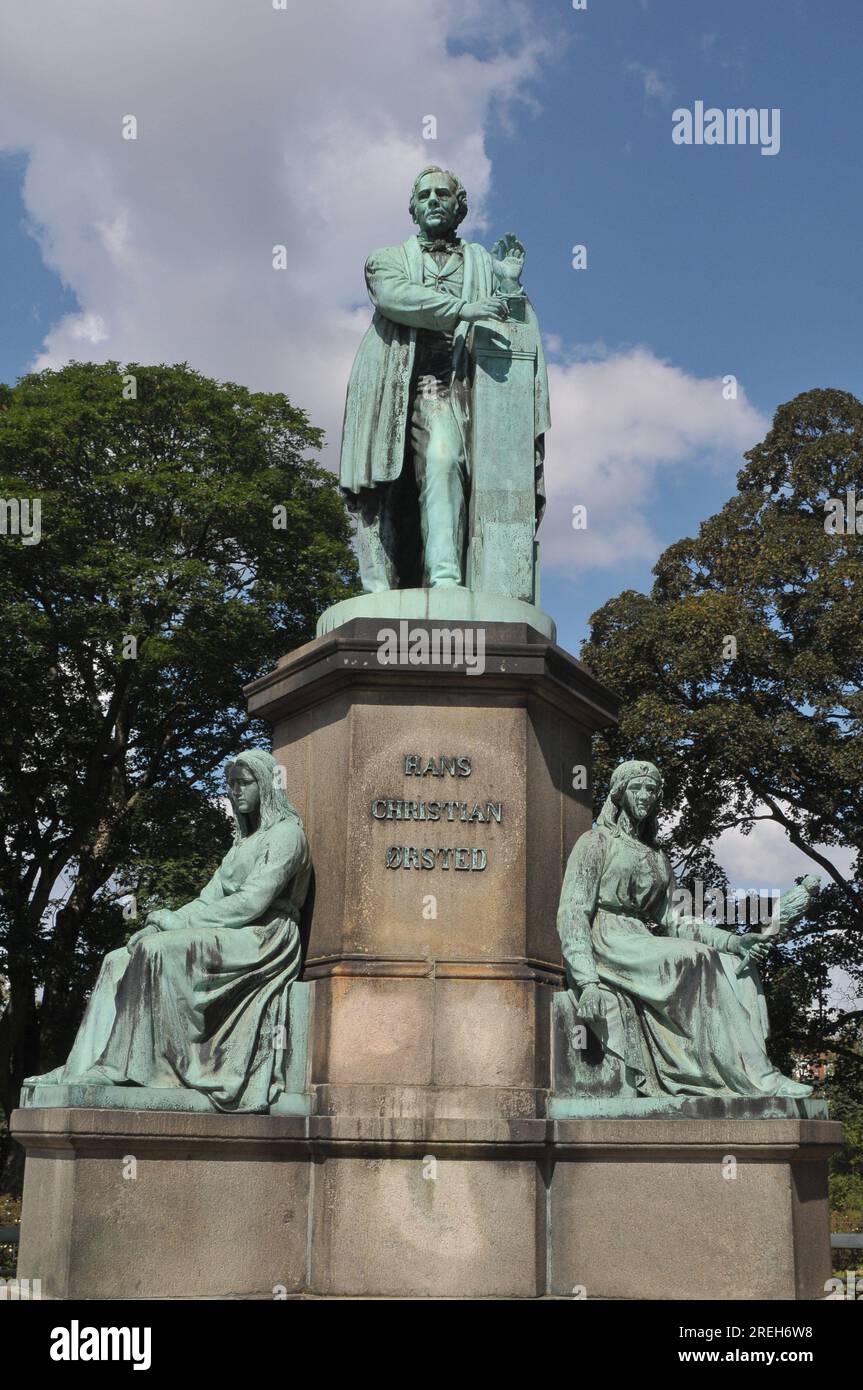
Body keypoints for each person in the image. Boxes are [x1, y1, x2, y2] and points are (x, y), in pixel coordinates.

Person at [24, 749, 311, 1112]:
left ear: (268, 785)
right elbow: (207, 900)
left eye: (245, 783)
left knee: (157, 952)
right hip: (232, 929)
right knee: (118, 959)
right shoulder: (242, 843)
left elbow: (253, 902)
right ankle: (83, 1067)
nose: (236, 791)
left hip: (264, 936)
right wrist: (162, 920)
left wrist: (177, 926)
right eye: (231, 784)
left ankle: (135, 1068)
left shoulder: (286, 836)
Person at [339, 165, 549, 591]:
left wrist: (509, 288)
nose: (433, 200)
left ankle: (446, 579)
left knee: (442, 459)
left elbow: (518, 328)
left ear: (459, 207)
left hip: (455, 387)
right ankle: (393, 582)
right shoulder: (387, 259)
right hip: (395, 387)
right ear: (413, 209)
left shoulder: (483, 264)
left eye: (443, 194)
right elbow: (395, 297)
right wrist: (461, 309)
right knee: (381, 497)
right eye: (424, 195)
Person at [556, 759, 815, 1098]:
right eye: (637, 788)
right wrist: (587, 979)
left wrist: (735, 942)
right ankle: (758, 1079)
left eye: (652, 790)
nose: (645, 796)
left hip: (638, 939)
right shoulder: (596, 843)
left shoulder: (656, 856)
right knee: (699, 959)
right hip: (607, 940)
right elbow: (573, 911)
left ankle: (735, 1075)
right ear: (619, 794)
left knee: (734, 967)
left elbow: (679, 920)